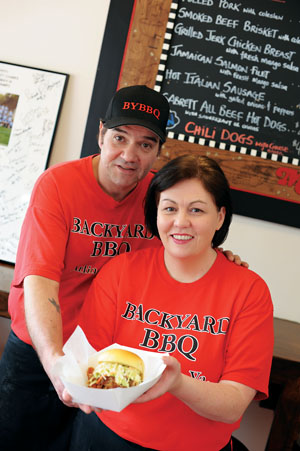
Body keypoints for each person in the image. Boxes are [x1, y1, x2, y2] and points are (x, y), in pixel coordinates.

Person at [0, 86, 244, 450]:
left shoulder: (157, 199)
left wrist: (223, 259)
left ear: (159, 151)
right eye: (119, 138)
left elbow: (180, 247)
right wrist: (55, 363)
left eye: (146, 144)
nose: (129, 155)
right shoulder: (57, 185)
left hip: (108, 357)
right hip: (42, 348)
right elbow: (39, 280)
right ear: (101, 134)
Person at [70, 154, 274, 451]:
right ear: (156, 213)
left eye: (196, 210)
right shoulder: (120, 272)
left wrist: (178, 383)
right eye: (169, 208)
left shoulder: (249, 291)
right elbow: (87, 365)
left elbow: (233, 405)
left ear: (219, 217)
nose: (181, 222)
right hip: (106, 438)